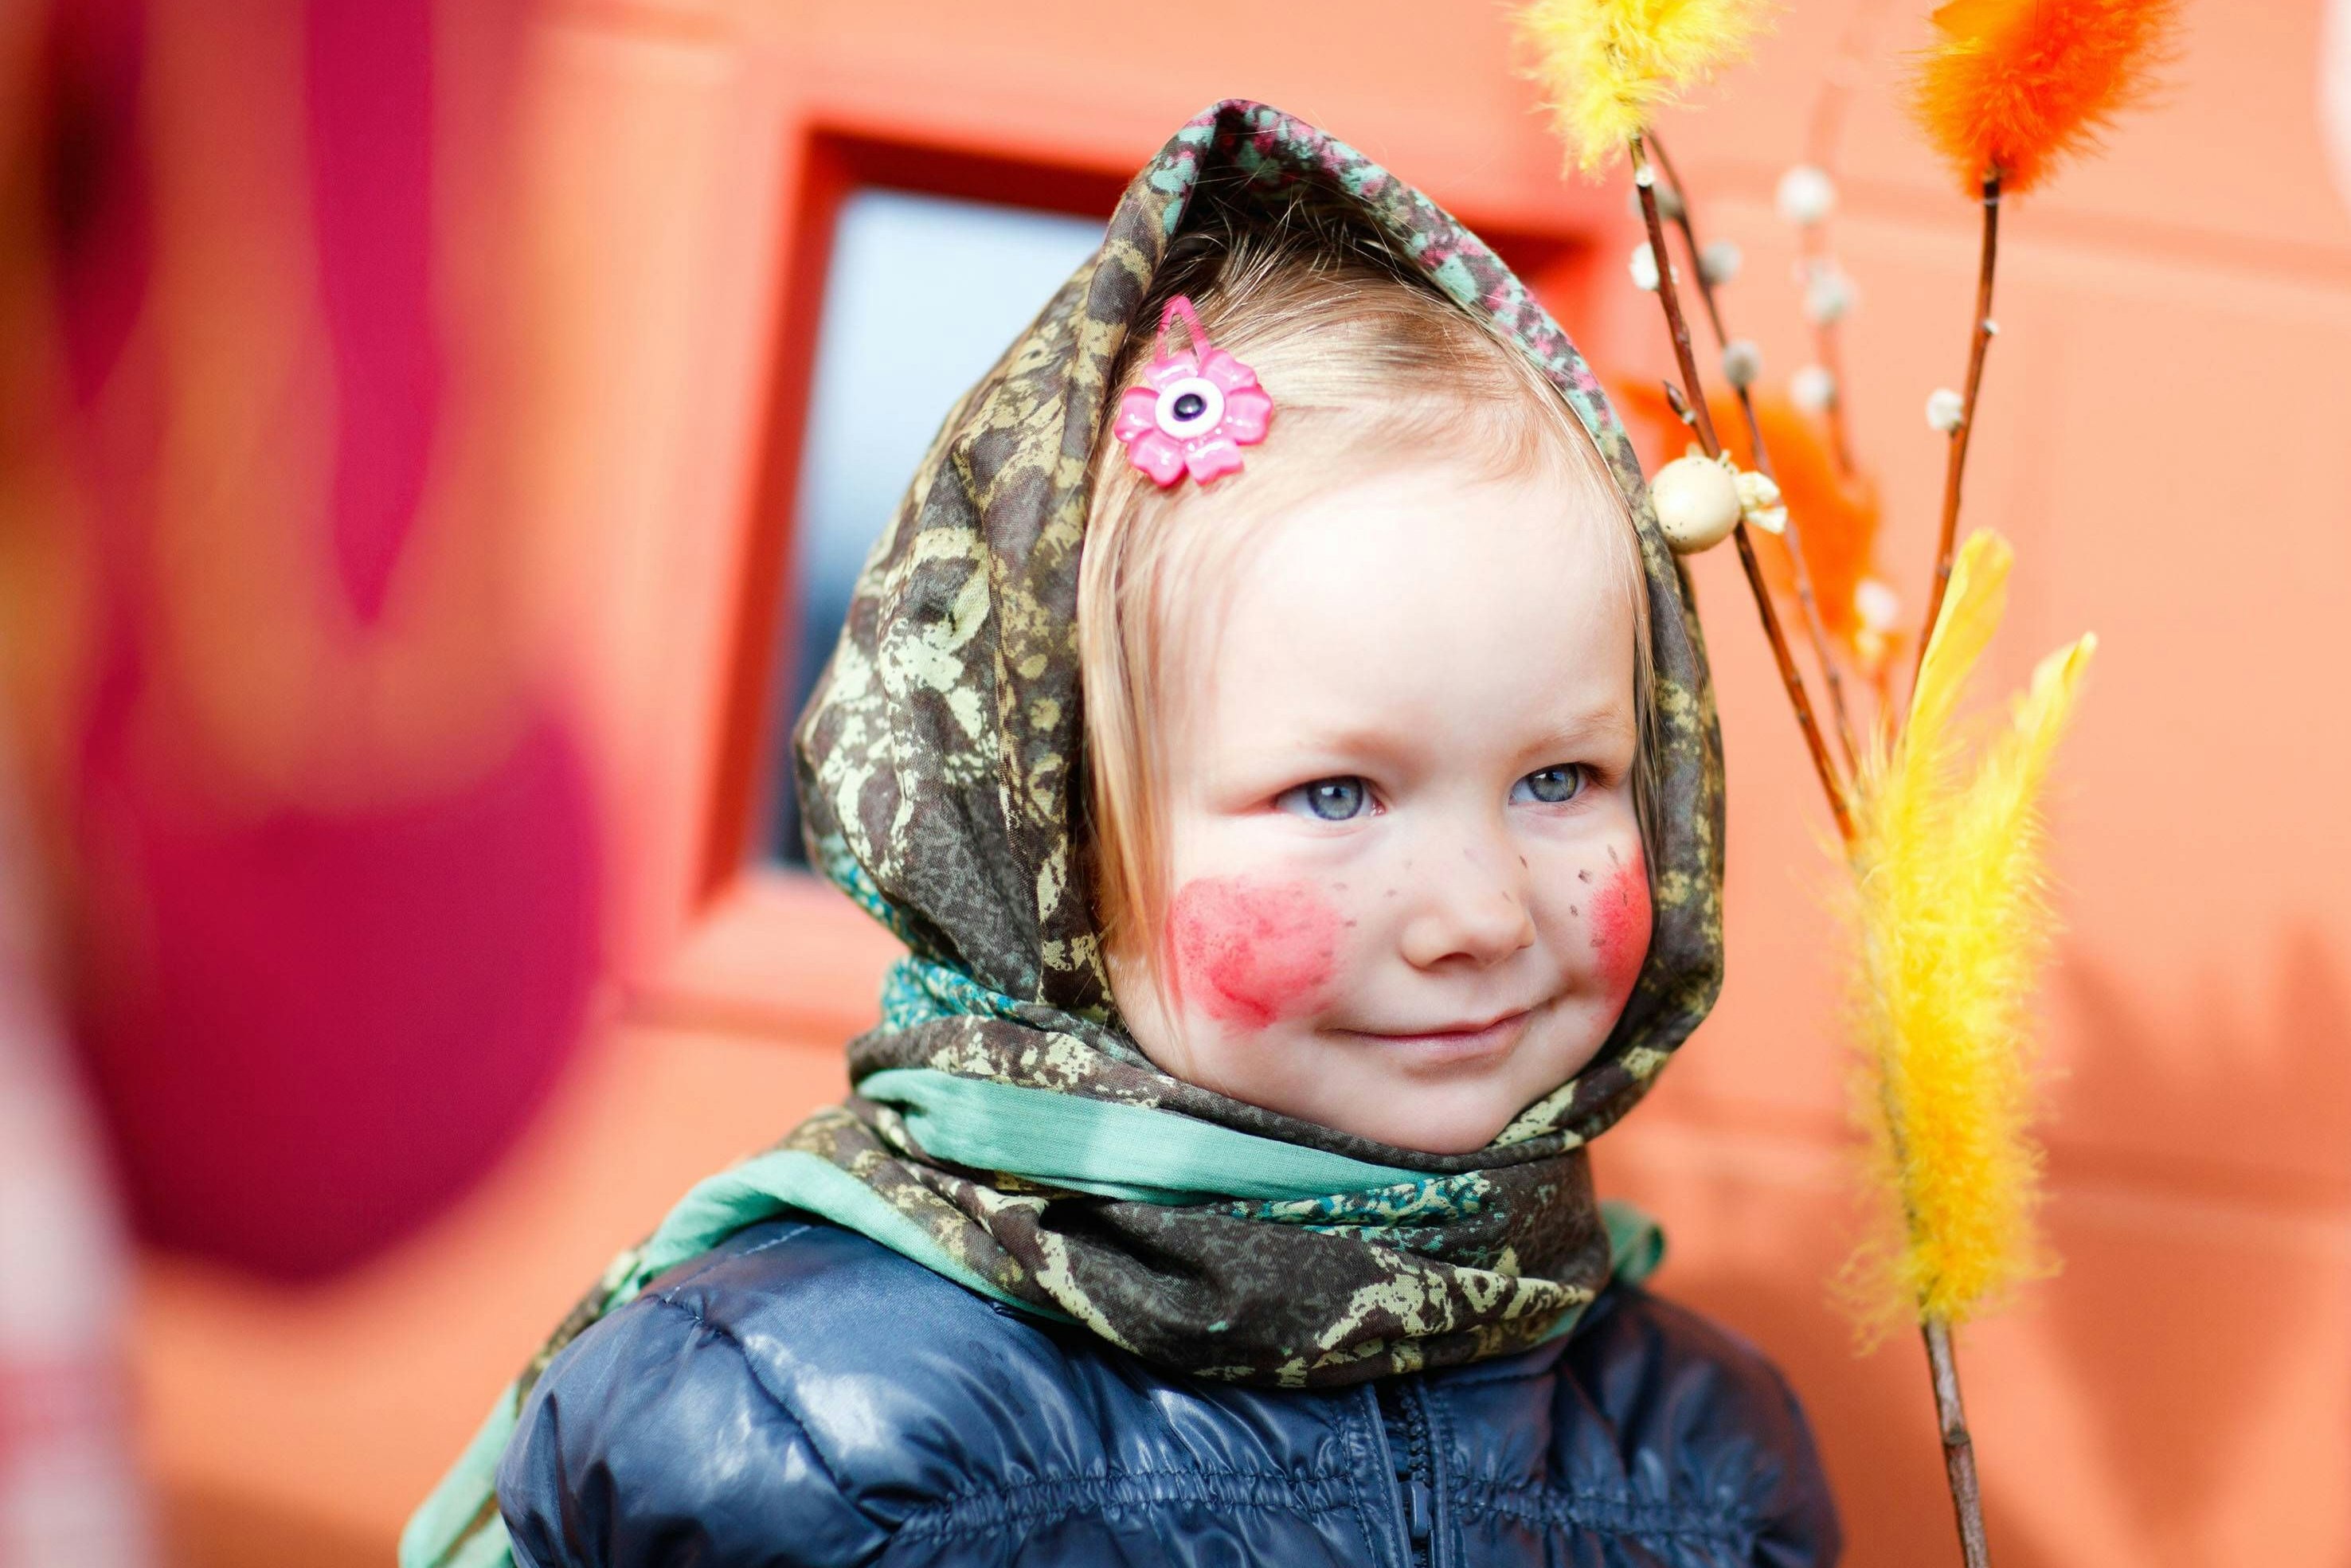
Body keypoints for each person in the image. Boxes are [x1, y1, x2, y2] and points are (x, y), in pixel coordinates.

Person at [403, 100, 1837, 1568]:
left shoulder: (1707, 1461)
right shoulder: (801, 1432)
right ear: (1057, 847)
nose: (1477, 911)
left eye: (1561, 780)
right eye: (1335, 795)